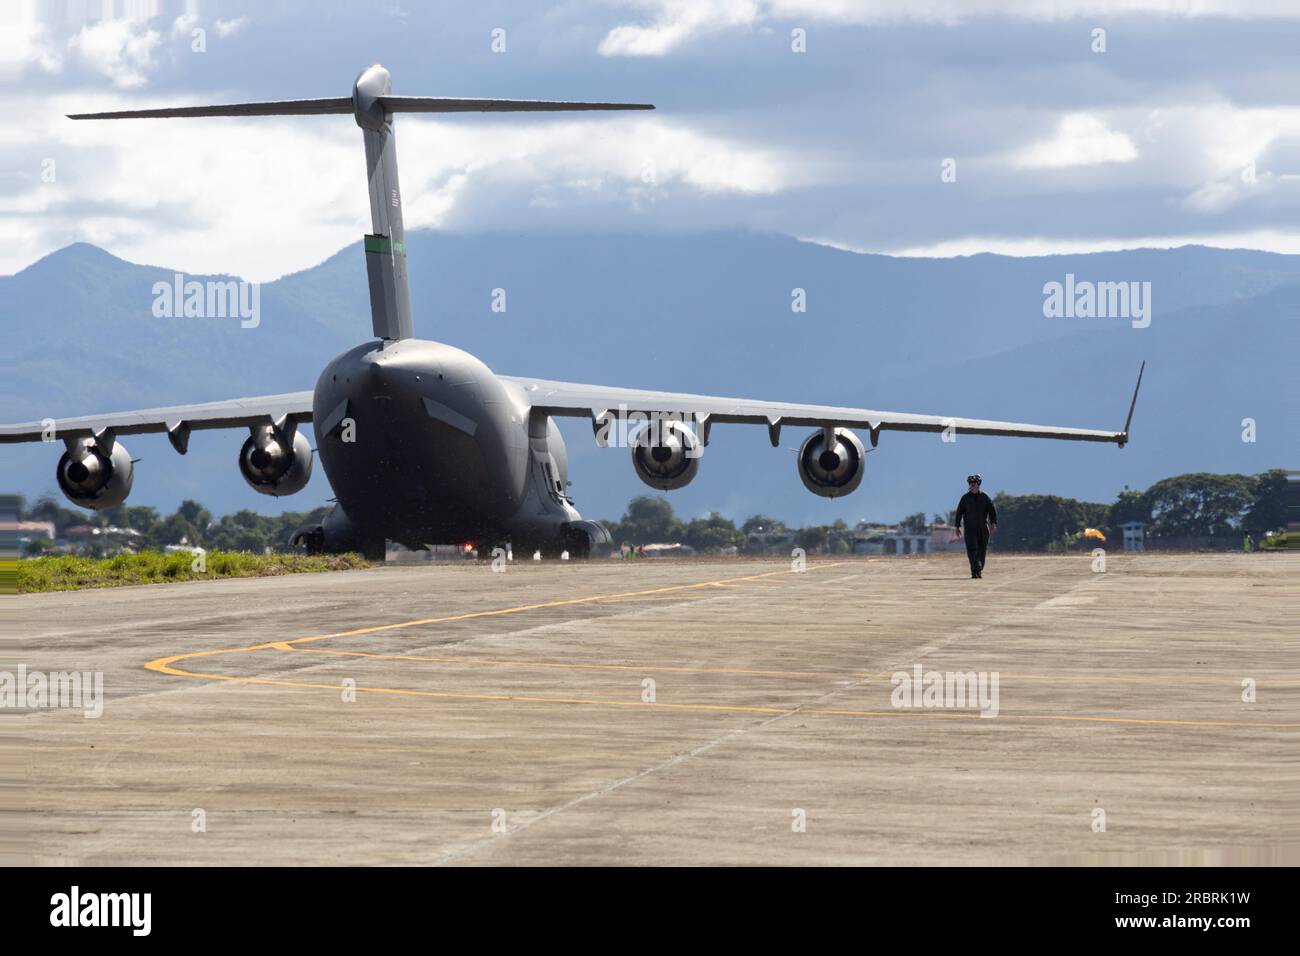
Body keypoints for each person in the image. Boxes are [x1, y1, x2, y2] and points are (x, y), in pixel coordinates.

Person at [953, 474, 997, 579]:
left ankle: (979, 569)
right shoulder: (965, 498)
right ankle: (974, 571)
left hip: (983, 527)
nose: (972, 485)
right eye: (971, 483)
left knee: (982, 550)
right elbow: (959, 512)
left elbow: (992, 511)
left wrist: (993, 523)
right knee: (972, 550)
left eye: (974, 483)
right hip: (969, 528)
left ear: (978, 484)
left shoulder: (985, 497)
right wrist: (957, 526)